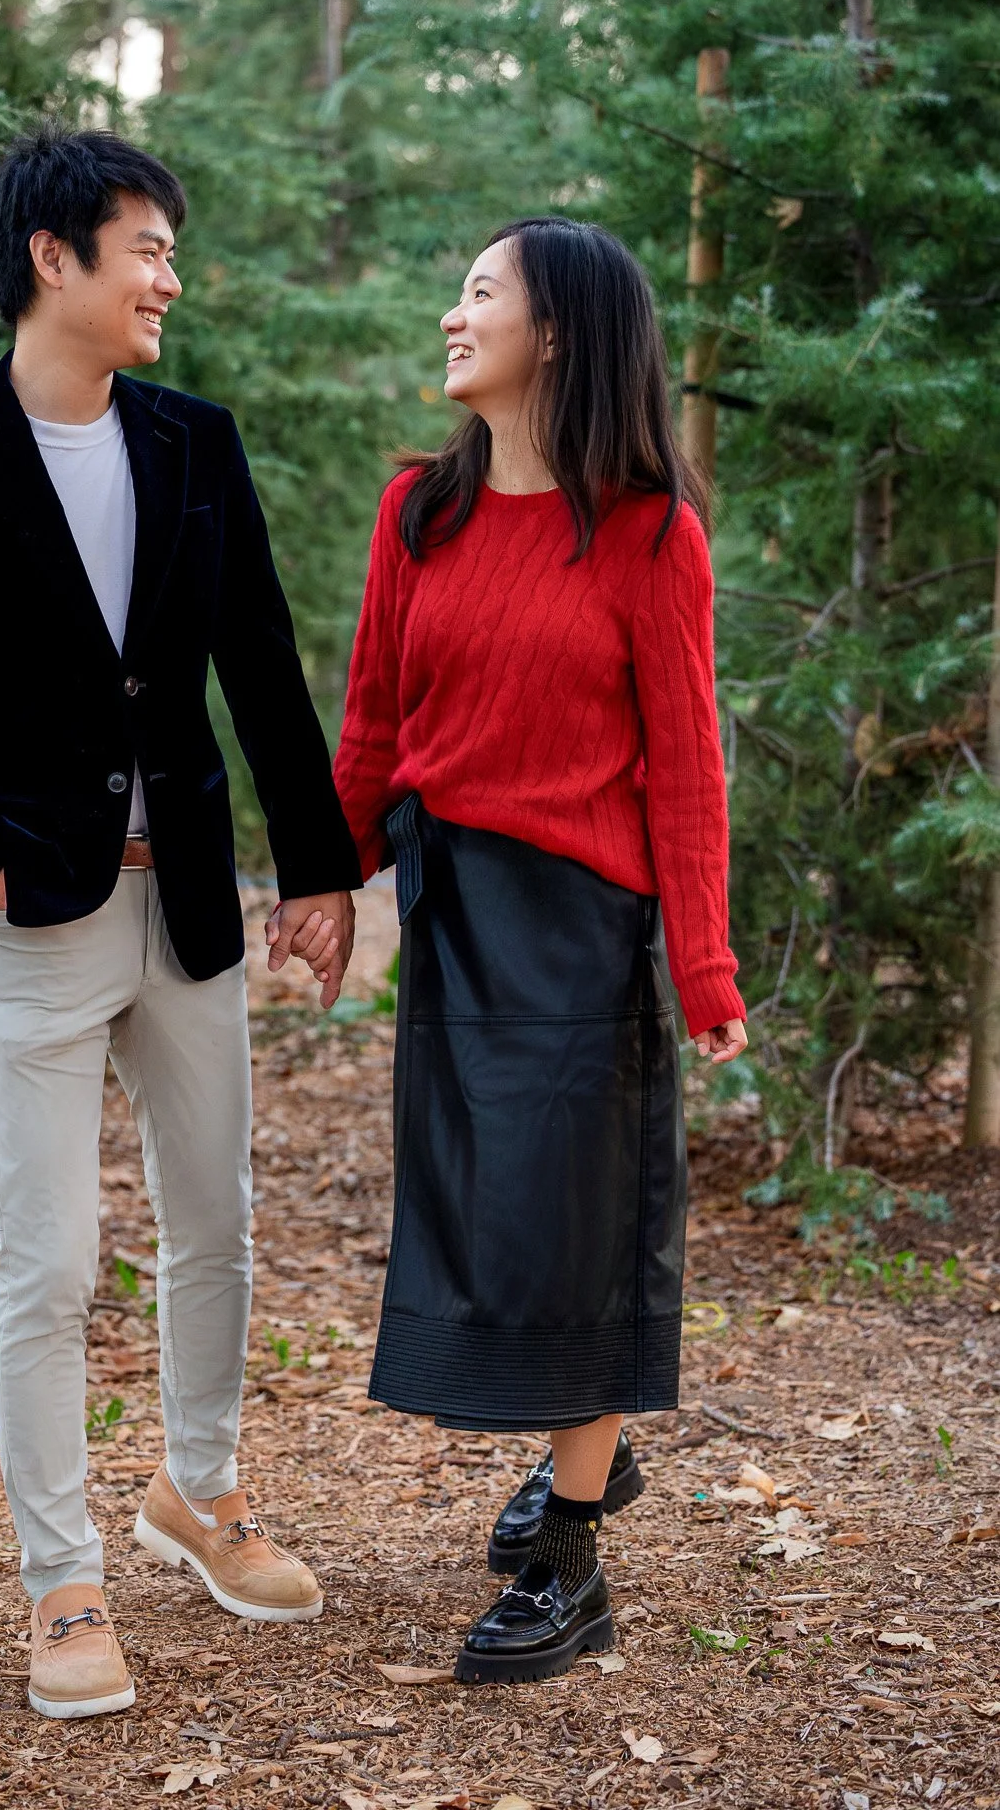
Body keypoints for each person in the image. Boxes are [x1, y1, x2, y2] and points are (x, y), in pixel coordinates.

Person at [0, 122, 361, 1719]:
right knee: (51, 1262)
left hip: (188, 903)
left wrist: (321, 868)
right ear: (53, 257)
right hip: (34, 917)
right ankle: (62, 1581)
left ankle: (199, 1494)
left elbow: (260, 662)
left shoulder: (197, 440)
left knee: (217, 1221)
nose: (169, 280)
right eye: (148, 249)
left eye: (172, 254)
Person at [334, 216, 747, 1684]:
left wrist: (703, 966)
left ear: (557, 331)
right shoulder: (418, 514)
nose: (454, 317)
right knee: (484, 1215)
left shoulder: (650, 534)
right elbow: (375, 726)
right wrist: (328, 879)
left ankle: (573, 1558)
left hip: (581, 936)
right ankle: (592, 1455)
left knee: (575, 1225)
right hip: (454, 922)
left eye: (480, 294)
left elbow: (685, 767)